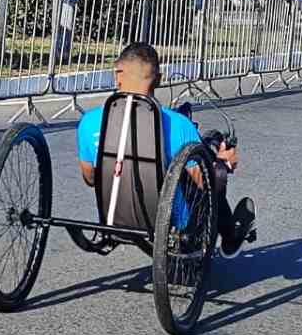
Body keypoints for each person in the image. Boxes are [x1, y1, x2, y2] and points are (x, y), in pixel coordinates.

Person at [76, 43, 248, 257]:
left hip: (114, 217)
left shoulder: (89, 122)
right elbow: (206, 184)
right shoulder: (178, 124)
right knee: (204, 170)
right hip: (170, 223)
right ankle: (228, 234)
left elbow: (90, 179)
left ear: (116, 75)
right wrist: (224, 164)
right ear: (158, 79)